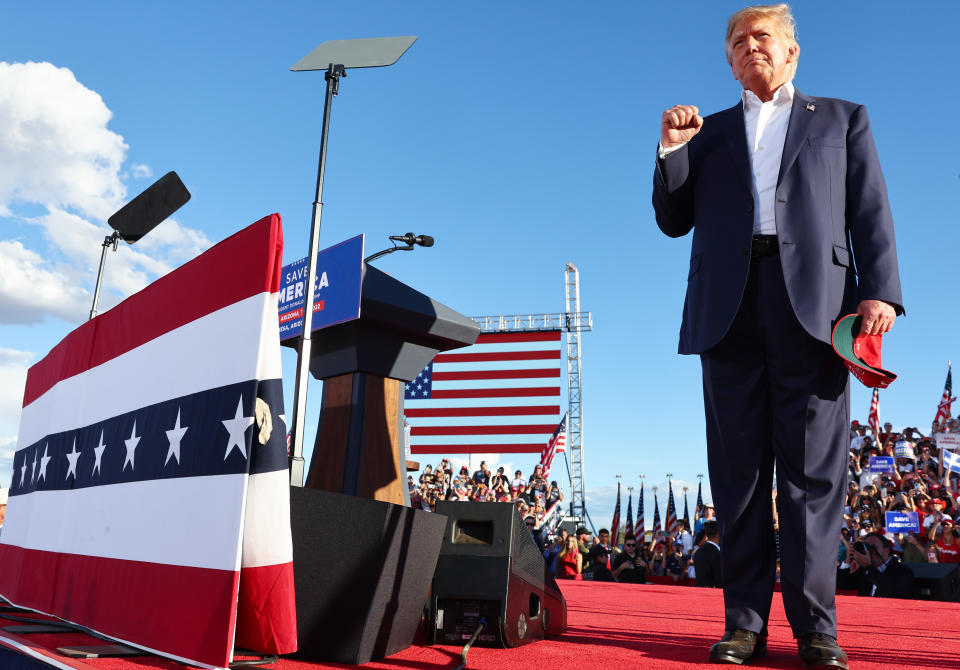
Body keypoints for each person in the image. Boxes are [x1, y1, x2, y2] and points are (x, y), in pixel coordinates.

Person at [651, 5, 903, 669]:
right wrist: (672, 152)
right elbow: (672, 220)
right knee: (736, 477)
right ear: (729, 60)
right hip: (726, 311)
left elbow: (870, 207)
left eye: (762, 35)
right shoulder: (707, 132)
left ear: (792, 52)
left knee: (812, 479)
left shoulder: (844, 118)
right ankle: (744, 625)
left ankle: (817, 630)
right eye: (737, 40)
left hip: (816, 312)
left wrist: (880, 290)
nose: (748, 45)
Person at [851, 532, 915, 598]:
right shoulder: (864, 569)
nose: (870, 551)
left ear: (887, 551)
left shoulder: (902, 570)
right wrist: (847, 560)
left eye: (874, 547)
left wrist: (869, 567)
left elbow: (895, 593)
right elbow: (845, 585)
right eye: (867, 547)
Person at [695, 520, 723, 588]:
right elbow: (719, 580)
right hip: (714, 594)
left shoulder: (698, 551)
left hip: (700, 593)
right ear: (718, 534)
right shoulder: (717, 554)